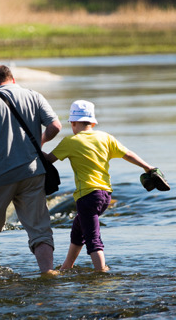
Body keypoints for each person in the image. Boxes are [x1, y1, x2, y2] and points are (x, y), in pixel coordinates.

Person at [0, 65, 62, 275]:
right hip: (33, 173)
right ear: (13, 79)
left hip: (0, 176)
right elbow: (55, 126)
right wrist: (38, 145)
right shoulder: (34, 96)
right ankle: (48, 273)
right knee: (40, 231)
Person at [43, 100, 156, 272]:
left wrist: (35, 147)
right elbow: (128, 154)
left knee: (92, 238)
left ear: (73, 123)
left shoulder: (70, 141)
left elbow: (48, 160)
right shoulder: (105, 137)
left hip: (86, 195)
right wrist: (147, 167)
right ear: (93, 122)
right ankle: (67, 266)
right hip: (105, 195)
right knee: (78, 227)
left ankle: (101, 272)